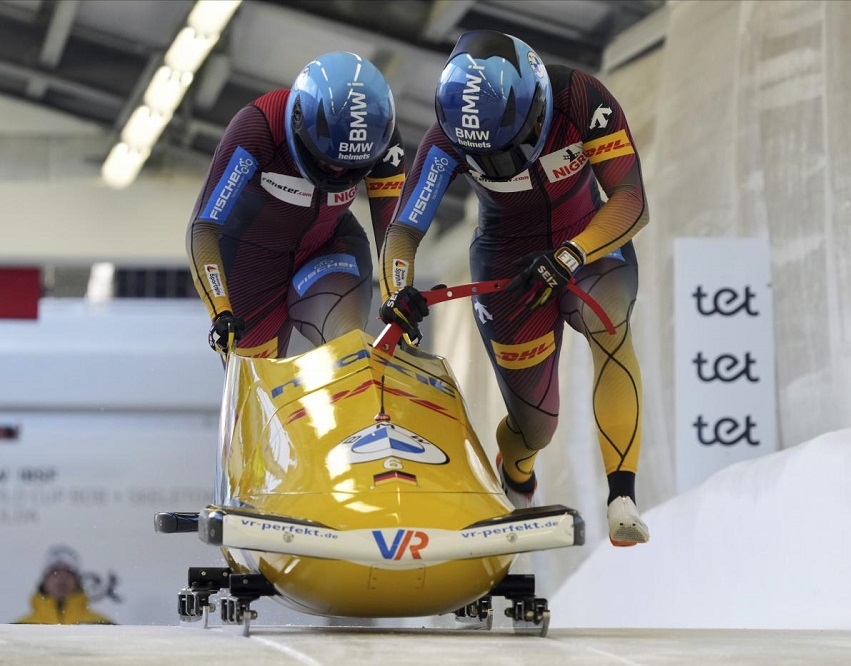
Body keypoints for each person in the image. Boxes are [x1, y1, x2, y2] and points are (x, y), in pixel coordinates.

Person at [377, 31, 650, 546]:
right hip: (508, 261)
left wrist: (570, 254)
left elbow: (631, 200)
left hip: (587, 241)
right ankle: (517, 472)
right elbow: (404, 231)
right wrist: (397, 290)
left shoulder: (580, 99)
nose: (506, 162)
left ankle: (622, 496)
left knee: (610, 322)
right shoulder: (444, 140)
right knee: (536, 424)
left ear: (537, 104)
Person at [187, 52, 406, 359]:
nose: (338, 172)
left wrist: (398, 293)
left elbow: (394, 229)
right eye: (326, 160)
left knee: (348, 347)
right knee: (259, 384)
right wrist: (220, 309)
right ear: (299, 123)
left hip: (326, 248)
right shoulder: (258, 127)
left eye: (351, 166)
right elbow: (204, 227)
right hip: (249, 271)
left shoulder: (385, 142)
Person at [12, 546, 115, 625]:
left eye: (68, 574)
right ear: (44, 581)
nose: (62, 579)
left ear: (77, 582)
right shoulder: (19, 627)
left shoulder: (103, 625)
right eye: (55, 573)